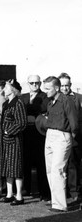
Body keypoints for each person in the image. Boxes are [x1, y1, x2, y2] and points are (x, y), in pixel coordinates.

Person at [41, 76, 78, 212]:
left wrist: (69, 138)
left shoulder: (66, 100)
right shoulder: (51, 102)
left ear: (56, 88)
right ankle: (55, 201)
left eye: (48, 88)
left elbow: (74, 123)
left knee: (58, 170)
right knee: (50, 170)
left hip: (62, 136)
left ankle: (60, 205)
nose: (45, 91)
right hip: (50, 135)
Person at [0, 79, 28, 206]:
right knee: (7, 167)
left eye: (7, 87)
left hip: (14, 140)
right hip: (4, 141)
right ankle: (9, 194)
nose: (5, 89)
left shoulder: (18, 103)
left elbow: (22, 123)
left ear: (13, 89)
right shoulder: (6, 103)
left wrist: (8, 131)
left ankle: (19, 195)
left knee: (16, 168)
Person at [19, 75, 49, 199]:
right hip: (25, 133)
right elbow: (21, 110)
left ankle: (43, 191)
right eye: (32, 83)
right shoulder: (23, 97)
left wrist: (28, 109)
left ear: (40, 83)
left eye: (37, 83)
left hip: (39, 134)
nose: (35, 85)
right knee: (25, 162)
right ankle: (26, 188)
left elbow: (42, 108)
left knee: (40, 163)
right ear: (28, 83)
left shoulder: (45, 96)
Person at [58, 73, 82, 202]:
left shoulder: (78, 98)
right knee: (61, 165)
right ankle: (62, 191)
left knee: (73, 164)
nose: (64, 88)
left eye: (67, 85)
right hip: (59, 137)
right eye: (62, 85)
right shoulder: (55, 99)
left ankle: (74, 191)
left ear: (71, 85)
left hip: (74, 137)